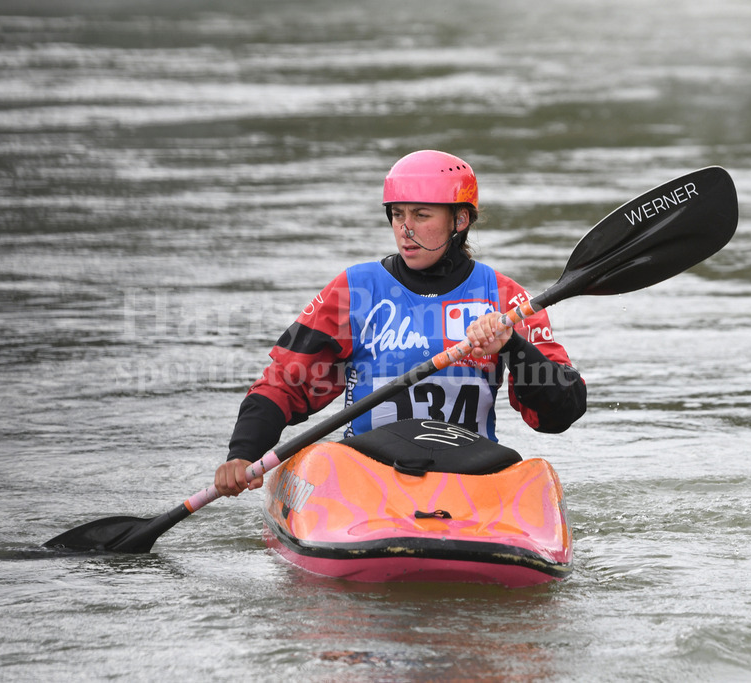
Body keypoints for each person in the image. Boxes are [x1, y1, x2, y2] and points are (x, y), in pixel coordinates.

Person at [214, 150, 586, 496]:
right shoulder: (355, 290)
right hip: (366, 476)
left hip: (469, 476)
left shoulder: (506, 299)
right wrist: (243, 452)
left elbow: (562, 411)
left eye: (421, 215)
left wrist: (513, 347)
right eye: (397, 215)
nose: (405, 229)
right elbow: (284, 381)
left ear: (460, 220)